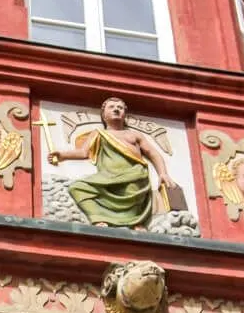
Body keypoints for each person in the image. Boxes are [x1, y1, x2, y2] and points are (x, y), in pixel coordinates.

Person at [47, 97, 179, 227]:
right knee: (77, 188)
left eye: (120, 108)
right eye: (111, 107)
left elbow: (153, 153)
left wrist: (163, 173)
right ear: (103, 115)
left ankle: (135, 222)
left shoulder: (134, 135)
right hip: (107, 178)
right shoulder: (99, 134)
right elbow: (83, 152)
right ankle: (98, 218)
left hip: (133, 175)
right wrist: (62, 155)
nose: (116, 109)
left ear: (124, 114)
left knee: (132, 194)